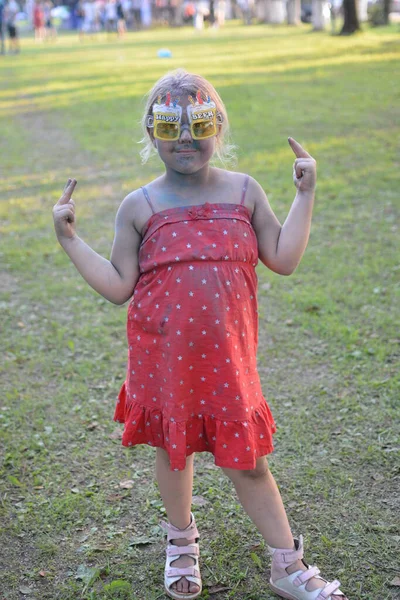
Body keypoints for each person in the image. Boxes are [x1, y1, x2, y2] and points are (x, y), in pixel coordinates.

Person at [52, 69, 348, 600]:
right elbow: (119, 285)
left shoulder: (245, 191)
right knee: (173, 451)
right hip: (162, 358)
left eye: (199, 123)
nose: (185, 138)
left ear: (219, 128)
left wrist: (306, 194)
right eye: (170, 127)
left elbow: (284, 257)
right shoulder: (139, 206)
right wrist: (71, 240)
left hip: (230, 361)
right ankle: (181, 541)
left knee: (251, 463)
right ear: (152, 133)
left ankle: (288, 567)